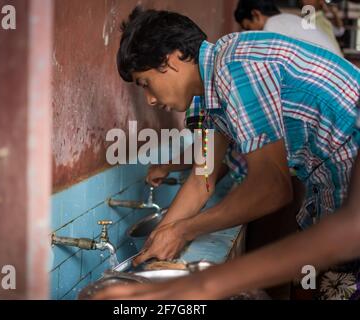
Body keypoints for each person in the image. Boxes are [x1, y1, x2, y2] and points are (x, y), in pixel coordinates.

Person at [97, 7, 360, 299]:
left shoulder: (235, 67)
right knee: (306, 280)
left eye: (145, 84)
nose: (150, 100)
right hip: (329, 183)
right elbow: (202, 178)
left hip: (349, 175)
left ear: (169, 60)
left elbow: (271, 187)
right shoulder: (209, 100)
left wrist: (185, 230)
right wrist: (159, 240)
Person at [234, 0, 342, 56]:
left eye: (248, 28)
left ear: (256, 14)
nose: (249, 33)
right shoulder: (286, 19)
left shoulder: (272, 27)